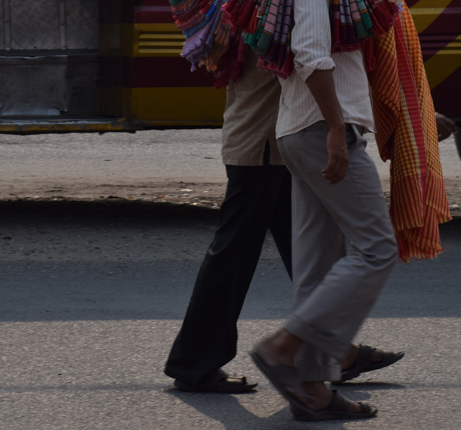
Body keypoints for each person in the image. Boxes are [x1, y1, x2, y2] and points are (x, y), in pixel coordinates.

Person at [164, 48, 406, 393]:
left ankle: (329, 351)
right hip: (265, 137)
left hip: (273, 135)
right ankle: (195, 362)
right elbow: (311, 52)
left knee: (307, 250)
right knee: (237, 251)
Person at [250, 0, 411, 421]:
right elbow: (310, 50)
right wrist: (338, 127)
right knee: (376, 249)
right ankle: (284, 346)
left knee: (317, 264)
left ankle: (312, 389)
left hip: (306, 128)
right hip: (321, 129)